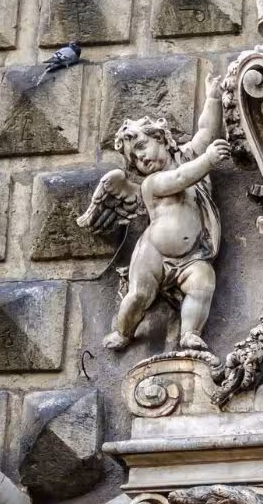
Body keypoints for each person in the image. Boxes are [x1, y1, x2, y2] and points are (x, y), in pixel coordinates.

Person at [79, 93, 234, 352]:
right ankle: (123, 330)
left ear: (161, 138)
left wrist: (213, 97)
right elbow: (180, 179)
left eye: (141, 148)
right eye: (135, 160)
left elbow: (206, 131)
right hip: (154, 255)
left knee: (203, 283)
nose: (141, 160)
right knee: (139, 296)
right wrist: (208, 160)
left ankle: (190, 334)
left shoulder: (188, 158)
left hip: (193, 257)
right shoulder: (153, 183)